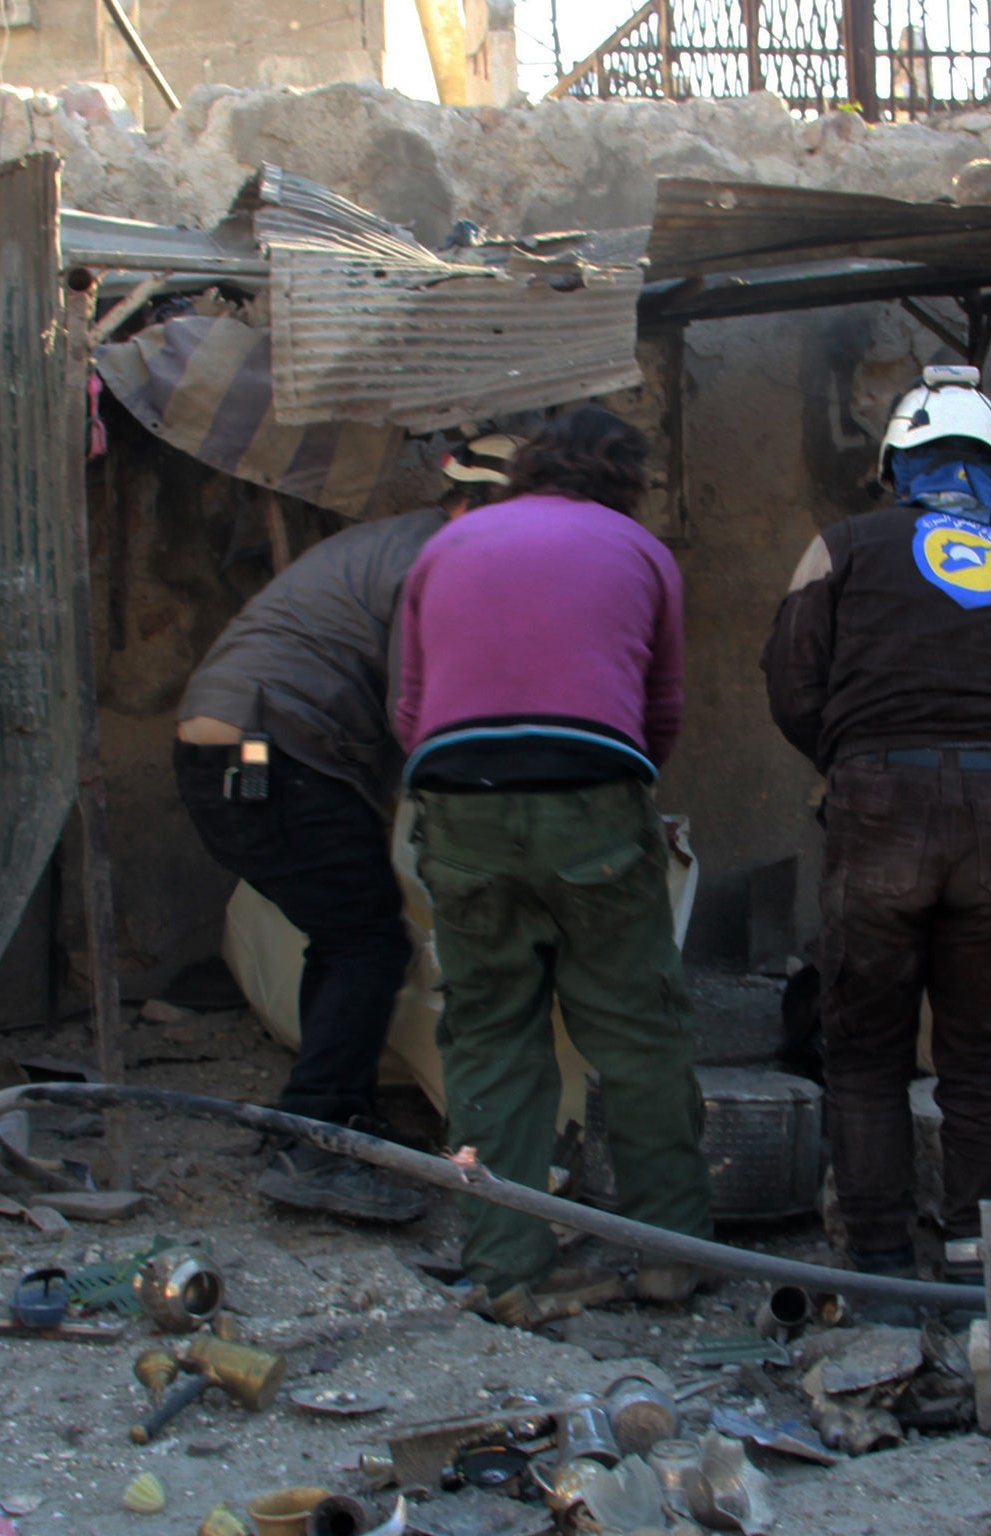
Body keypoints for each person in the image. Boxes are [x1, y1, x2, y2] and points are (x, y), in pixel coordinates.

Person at [394, 406, 713, 1321]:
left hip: (457, 799)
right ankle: (668, 1258)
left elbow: (412, 713)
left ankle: (504, 1271)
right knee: (639, 1032)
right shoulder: (641, 552)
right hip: (592, 796)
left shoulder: (446, 546)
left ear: (530, 469)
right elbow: (663, 714)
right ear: (626, 482)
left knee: (490, 1034)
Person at [761, 365, 991, 1282]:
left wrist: (852, 757)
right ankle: (981, 1266)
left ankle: (882, 1263)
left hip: (878, 809)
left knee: (866, 1051)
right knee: (982, 1056)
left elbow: (789, 681)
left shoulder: (841, 547)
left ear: (898, 466)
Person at [174, 435, 520, 1224]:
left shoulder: (414, 542)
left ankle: (329, 1115)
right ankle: (315, 1140)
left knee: (348, 933)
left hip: (248, 746)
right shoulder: (446, 559)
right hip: (269, 749)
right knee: (367, 940)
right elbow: (420, 709)